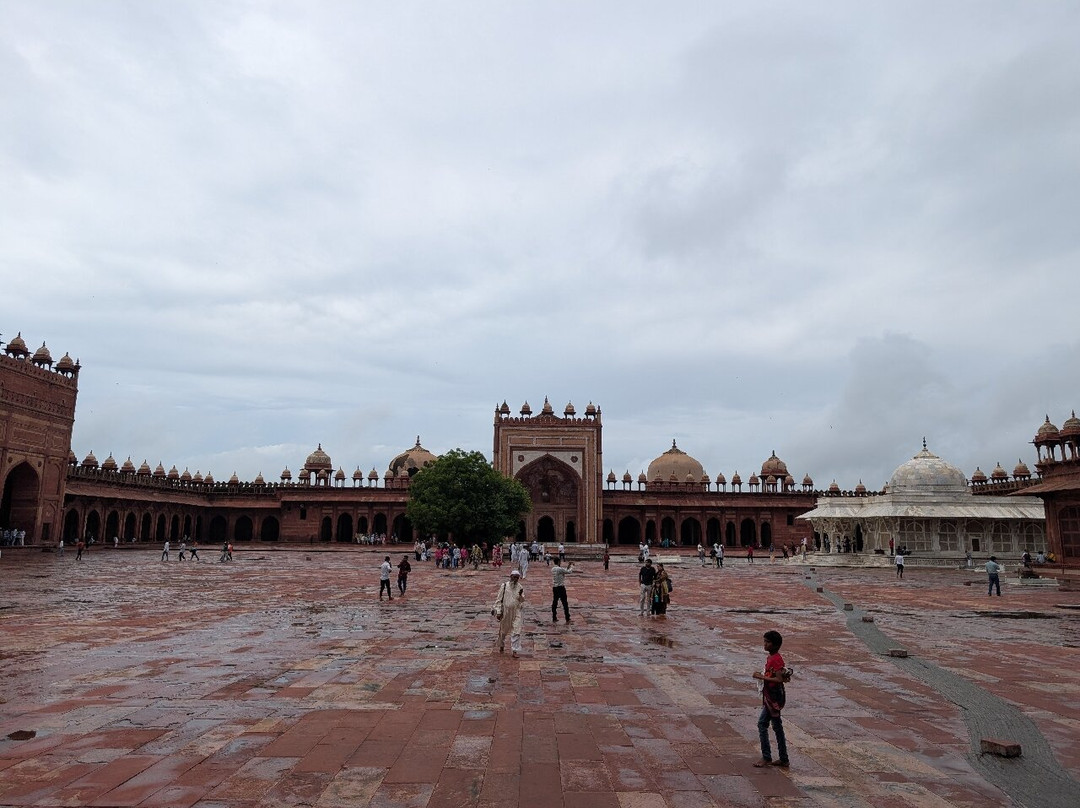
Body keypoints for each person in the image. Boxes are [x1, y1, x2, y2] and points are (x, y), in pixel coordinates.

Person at [752, 630, 790, 769]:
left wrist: (761, 677)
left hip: (774, 697)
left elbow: (778, 679)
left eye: (767, 642)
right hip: (771, 695)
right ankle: (783, 758)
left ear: (775, 645)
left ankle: (767, 757)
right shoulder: (772, 657)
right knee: (777, 726)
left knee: (763, 724)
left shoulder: (776, 659)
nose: (765, 644)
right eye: (765, 641)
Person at [492, 569, 526, 657]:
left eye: (517, 578)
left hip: (516, 611)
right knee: (503, 631)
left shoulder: (520, 587)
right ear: (510, 577)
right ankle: (501, 644)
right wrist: (498, 612)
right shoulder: (504, 586)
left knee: (516, 631)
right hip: (506, 612)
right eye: (514, 577)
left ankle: (515, 650)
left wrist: (520, 595)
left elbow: (522, 600)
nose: (515, 579)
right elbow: (498, 600)